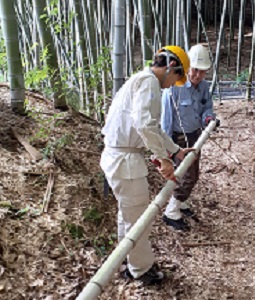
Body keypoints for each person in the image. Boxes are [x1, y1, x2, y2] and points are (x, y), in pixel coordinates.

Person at [100, 45, 192, 286]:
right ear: (171, 66)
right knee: (137, 218)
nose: (173, 84)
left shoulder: (140, 80)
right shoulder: (149, 82)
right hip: (124, 161)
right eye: (176, 78)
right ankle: (140, 269)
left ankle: (126, 260)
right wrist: (163, 159)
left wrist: (174, 151)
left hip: (120, 158)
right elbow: (144, 125)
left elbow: (152, 128)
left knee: (128, 214)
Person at [161, 44, 218, 231]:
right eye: (195, 70)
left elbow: (206, 107)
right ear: (187, 68)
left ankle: (181, 202)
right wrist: (166, 148)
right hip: (178, 138)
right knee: (188, 176)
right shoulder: (174, 87)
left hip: (195, 136)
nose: (198, 76)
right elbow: (166, 120)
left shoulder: (203, 87)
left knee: (191, 173)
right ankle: (171, 211)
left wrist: (209, 118)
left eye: (202, 72)